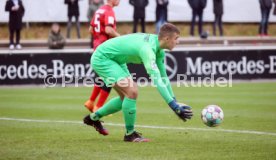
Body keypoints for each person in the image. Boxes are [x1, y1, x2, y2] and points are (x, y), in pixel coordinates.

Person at [83, 23, 193, 142]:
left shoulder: (159, 50)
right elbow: (157, 80)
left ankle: (93, 118)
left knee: (126, 97)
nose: (178, 42)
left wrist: (174, 102)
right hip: (103, 58)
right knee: (132, 91)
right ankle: (130, 134)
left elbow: (163, 78)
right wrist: (173, 106)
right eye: (176, 38)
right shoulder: (148, 50)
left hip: (117, 59)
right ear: (167, 39)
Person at [84, 0, 120, 113]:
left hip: (97, 47)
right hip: (105, 49)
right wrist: (120, 38)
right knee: (109, 79)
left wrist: (98, 38)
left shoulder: (99, 10)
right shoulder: (109, 11)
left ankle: (90, 102)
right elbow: (109, 30)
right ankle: (98, 108)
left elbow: (91, 29)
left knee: (101, 77)